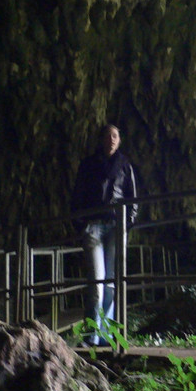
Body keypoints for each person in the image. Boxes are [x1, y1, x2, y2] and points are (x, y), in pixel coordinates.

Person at [70, 123, 138, 346]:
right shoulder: (88, 165)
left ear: (119, 140)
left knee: (111, 284)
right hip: (94, 227)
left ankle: (106, 336)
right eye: (108, 135)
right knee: (96, 283)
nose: (111, 139)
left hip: (116, 226)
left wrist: (127, 224)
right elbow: (78, 194)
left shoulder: (125, 165)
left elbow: (132, 198)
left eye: (115, 135)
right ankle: (91, 337)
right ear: (101, 139)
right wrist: (81, 225)